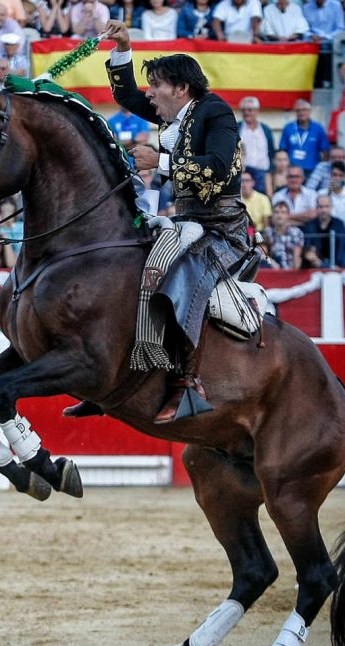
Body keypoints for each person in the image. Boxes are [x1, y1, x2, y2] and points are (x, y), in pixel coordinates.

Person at [105, 20, 249, 422]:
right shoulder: (174, 116)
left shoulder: (215, 111)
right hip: (186, 221)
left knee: (183, 274)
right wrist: (123, 47)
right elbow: (126, 93)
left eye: (156, 86)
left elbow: (220, 168)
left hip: (223, 228)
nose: (149, 93)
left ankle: (189, 383)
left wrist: (161, 161)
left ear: (180, 89)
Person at [279, 99, 329, 173]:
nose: (301, 113)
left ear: (309, 111)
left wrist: (322, 169)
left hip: (312, 170)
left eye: (304, 110)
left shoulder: (318, 128)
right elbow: (283, 150)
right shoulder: (288, 128)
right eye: (298, 110)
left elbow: (325, 151)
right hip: (292, 170)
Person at [300, 194, 345, 267]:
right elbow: (307, 247)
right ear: (316, 208)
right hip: (315, 265)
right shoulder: (309, 225)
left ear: (331, 207)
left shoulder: (339, 224)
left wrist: (333, 265)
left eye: (326, 206)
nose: (324, 210)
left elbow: (342, 248)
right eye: (321, 207)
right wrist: (315, 259)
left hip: (336, 266)